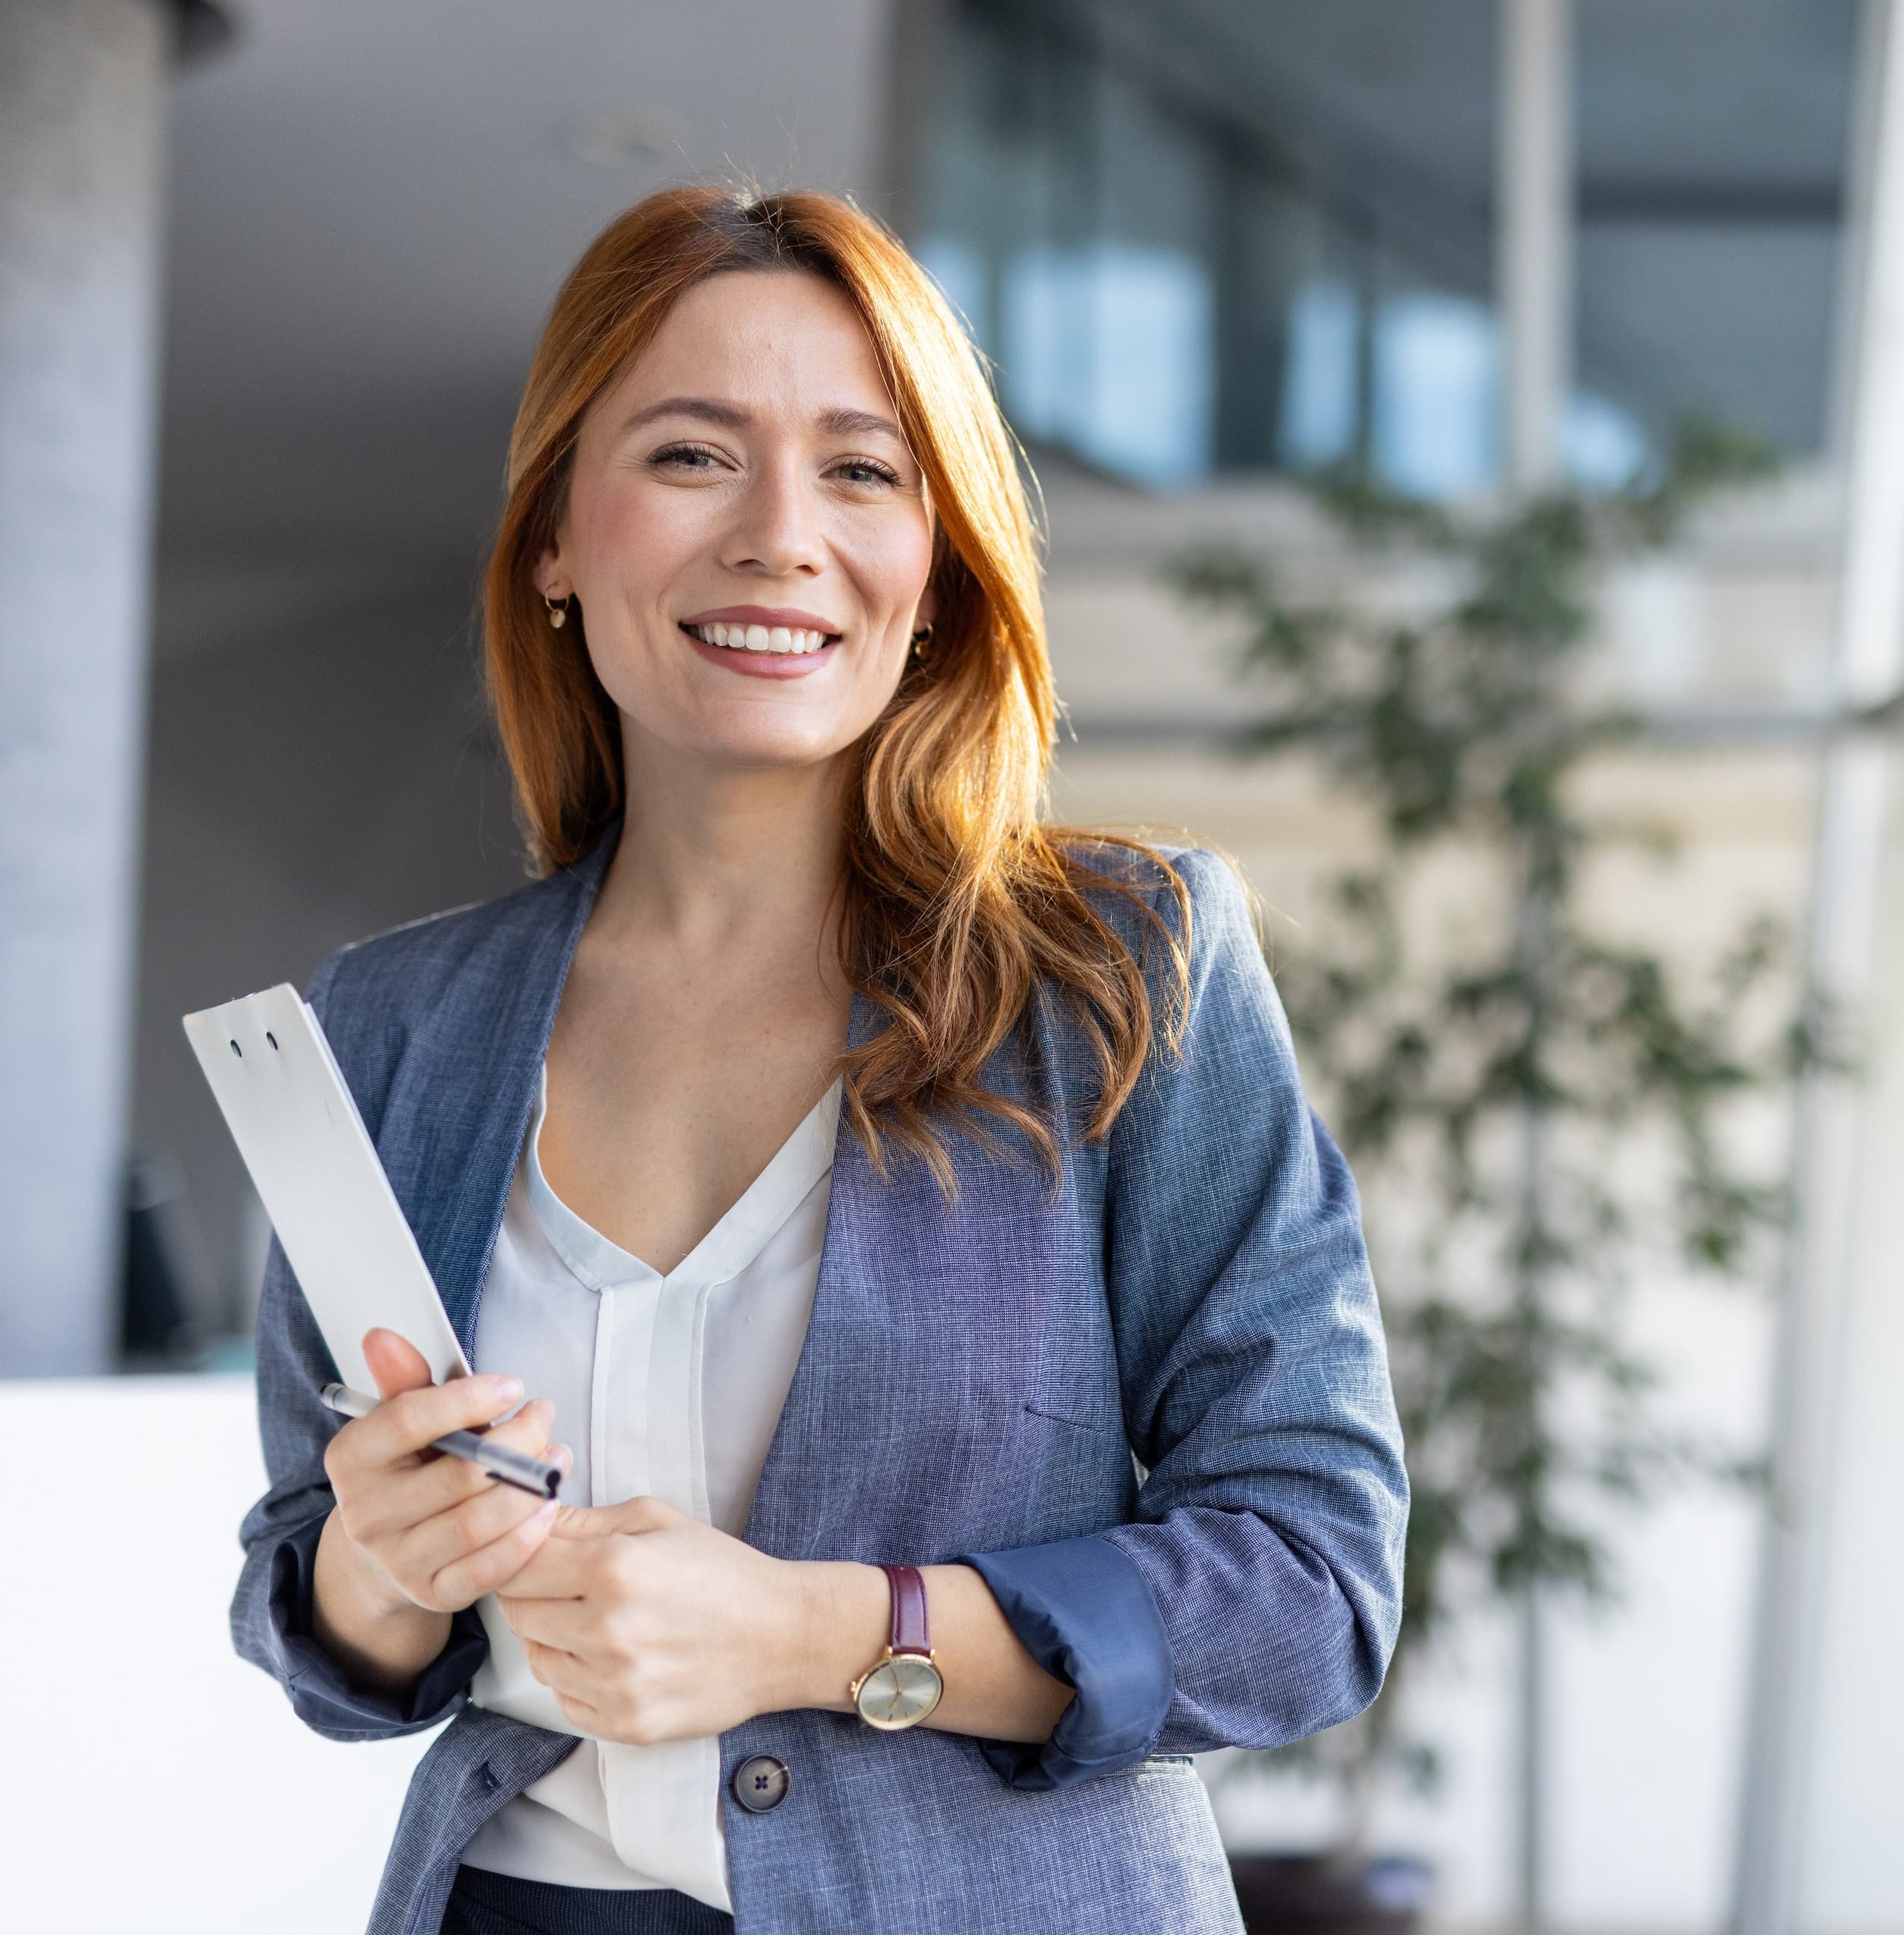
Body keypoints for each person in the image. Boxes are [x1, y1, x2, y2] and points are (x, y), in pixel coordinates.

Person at [225, 184, 1408, 1935]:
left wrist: (822, 1633)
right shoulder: (392, 1026)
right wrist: (380, 1567)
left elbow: (1314, 1583)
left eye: (862, 470)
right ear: (555, 531)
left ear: (935, 564)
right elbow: (319, 1624)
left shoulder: (1118, 968)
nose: (784, 535)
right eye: (694, 456)